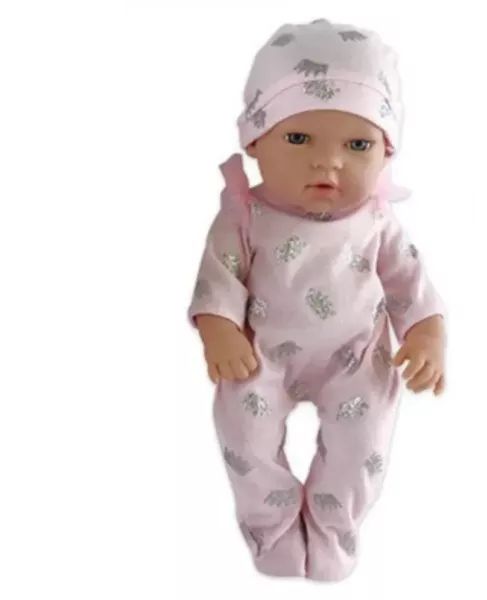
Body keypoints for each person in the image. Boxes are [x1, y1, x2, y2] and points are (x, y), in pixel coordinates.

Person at [186, 18, 447, 581]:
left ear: (387, 151)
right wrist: (219, 328)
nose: (328, 161)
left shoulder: (377, 220)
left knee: (363, 447)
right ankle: (274, 529)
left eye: (358, 145)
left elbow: (409, 282)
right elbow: (220, 276)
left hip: (356, 357)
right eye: (299, 139)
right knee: (244, 437)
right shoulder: (243, 214)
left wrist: (426, 333)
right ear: (254, 141)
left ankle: (333, 531)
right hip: (260, 355)